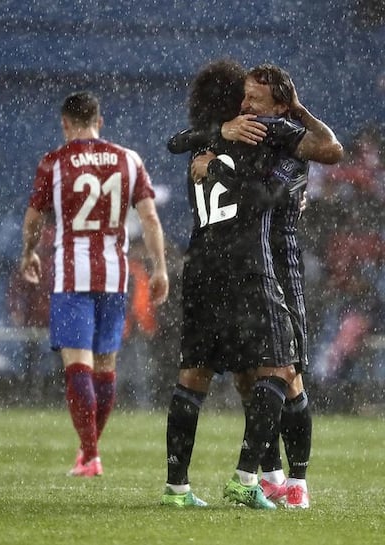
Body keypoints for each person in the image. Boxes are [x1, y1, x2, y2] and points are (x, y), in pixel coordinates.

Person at [162, 60, 342, 509]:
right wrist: (222, 134)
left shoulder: (280, 136)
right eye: (241, 97)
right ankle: (266, 475)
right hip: (249, 262)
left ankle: (290, 480)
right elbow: (185, 144)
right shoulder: (234, 136)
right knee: (261, 373)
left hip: (272, 261)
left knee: (288, 372)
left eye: (254, 99)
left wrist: (295, 113)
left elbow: (326, 152)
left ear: (279, 105)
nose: (245, 105)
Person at [20, 91, 168, 477]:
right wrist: (160, 269)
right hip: (115, 273)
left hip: (72, 273)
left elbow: (34, 217)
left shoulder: (54, 162)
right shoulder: (128, 159)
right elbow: (150, 219)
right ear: (100, 122)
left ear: (66, 124)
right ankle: (90, 453)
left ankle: (89, 454)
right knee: (105, 367)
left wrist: (28, 252)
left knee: (78, 367)